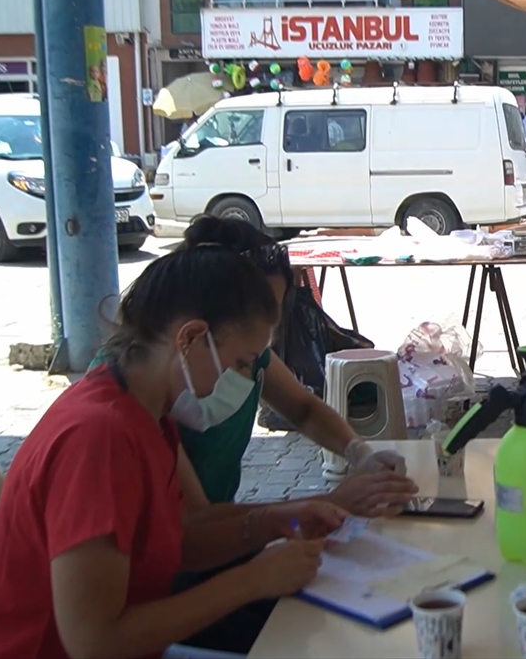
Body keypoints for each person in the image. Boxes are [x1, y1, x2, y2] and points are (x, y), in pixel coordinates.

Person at [0, 247, 347, 659]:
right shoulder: (99, 437)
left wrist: (278, 519)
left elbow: (184, 540)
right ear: (190, 338)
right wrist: (253, 580)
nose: (244, 380)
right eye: (240, 363)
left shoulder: (147, 411)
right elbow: (95, 641)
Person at [163, 216, 419, 653]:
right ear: (197, 329)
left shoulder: (233, 353)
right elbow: (193, 534)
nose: (265, 338)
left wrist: (359, 452)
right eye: (245, 359)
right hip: (180, 574)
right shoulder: (141, 402)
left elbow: (303, 407)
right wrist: (318, 508)